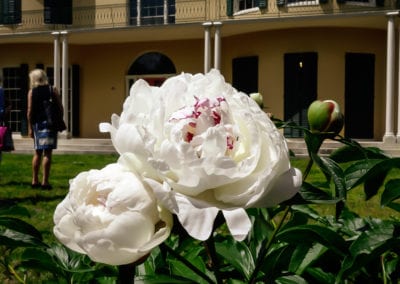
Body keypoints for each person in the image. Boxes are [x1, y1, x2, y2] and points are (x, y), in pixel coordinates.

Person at [27, 69, 62, 189]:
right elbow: (60, 107)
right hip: (50, 124)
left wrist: (30, 128)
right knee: (47, 153)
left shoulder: (32, 92)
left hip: (38, 124)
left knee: (37, 152)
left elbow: (30, 112)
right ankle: (45, 182)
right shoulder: (52, 90)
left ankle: (34, 180)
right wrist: (59, 119)